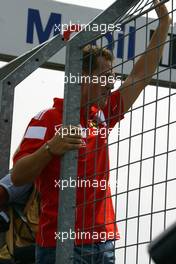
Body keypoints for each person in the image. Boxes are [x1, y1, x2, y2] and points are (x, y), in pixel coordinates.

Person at [11, 1, 171, 263]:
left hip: (104, 244)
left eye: (113, 76)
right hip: (62, 245)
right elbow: (17, 176)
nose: (111, 83)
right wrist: (51, 147)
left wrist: (164, 24)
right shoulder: (48, 119)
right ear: (82, 76)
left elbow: (140, 76)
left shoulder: (103, 113)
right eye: (105, 76)